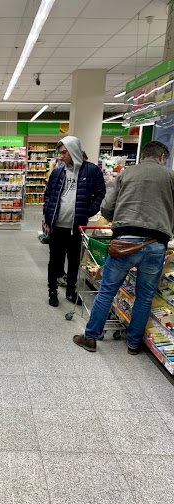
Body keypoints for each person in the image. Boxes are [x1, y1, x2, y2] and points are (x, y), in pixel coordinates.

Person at [73, 140, 174, 355]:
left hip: (124, 242)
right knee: (144, 297)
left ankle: (90, 337)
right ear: (162, 157)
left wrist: (117, 219)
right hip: (156, 243)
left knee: (107, 291)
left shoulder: (126, 174)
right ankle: (134, 344)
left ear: (143, 155)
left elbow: (107, 208)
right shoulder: (170, 176)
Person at [43, 136, 106, 307]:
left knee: (74, 261)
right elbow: (48, 194)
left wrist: (88, 211)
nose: (61, 156)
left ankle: (71, 291)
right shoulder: (58, 171)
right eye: (60, 153)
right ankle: (52, 291)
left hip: (77, 227)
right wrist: (47, 215)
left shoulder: (92, 171)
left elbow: (100, 194)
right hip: (57, 225)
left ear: (74, 151)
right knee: (54, 261)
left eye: (64, 152)